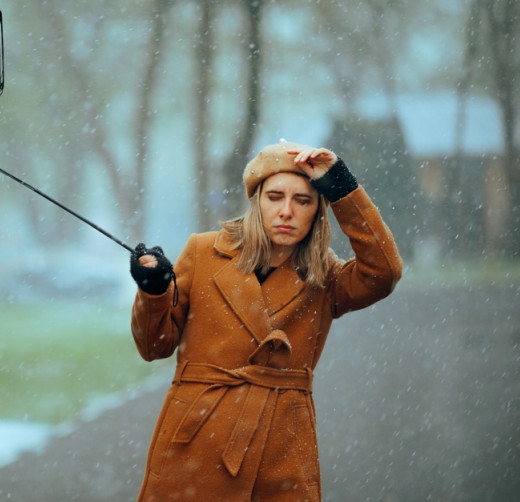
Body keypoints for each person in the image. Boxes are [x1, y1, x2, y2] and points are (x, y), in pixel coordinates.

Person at [128, 141, 403, 502]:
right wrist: (153, 291)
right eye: (275, 197)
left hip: (282, 451)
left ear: (317, 210)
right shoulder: (203, 252)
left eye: (302, 200)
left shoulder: (325, 276)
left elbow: (384, 272)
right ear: (257, 201)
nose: (287, 211)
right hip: (195, 444)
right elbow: (154, 346)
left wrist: (340, 185)